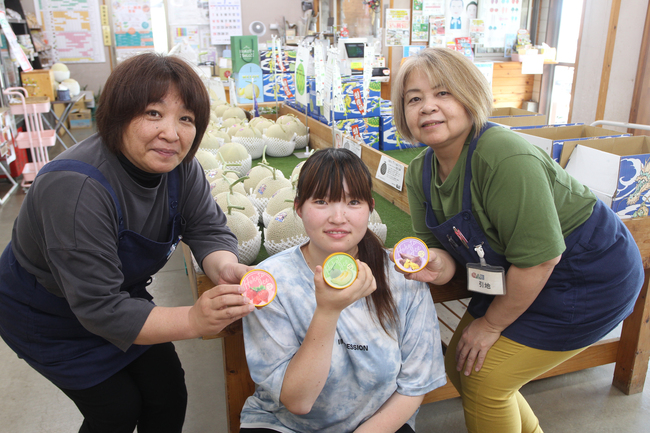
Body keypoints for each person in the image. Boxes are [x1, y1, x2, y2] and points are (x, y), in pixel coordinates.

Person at [391, 47, 644, 433]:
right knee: (463, 365)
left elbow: (541, 260)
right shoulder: (419, 172)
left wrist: (491, 326)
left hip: (586, 275)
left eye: (443, 93)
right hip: (515, 274)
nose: (427, 107)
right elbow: (441, 252)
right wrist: (437, 264)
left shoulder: (504, 155)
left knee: (486, 379)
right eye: (414, 99)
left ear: (470, 95)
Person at [0, 53, 255, 433]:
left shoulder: (182, 168)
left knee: (168, 394)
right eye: (154, 113)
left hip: (119, 297)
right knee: (115, 410)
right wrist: (193, 319)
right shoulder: (76, 187)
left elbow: (207, 229)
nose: (172, 133)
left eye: (186, 118)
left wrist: (224, 266)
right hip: (48, 314)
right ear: (118, 114)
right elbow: (100, 307)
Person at [239, 148, 446, 433]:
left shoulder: (402, 274)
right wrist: (327, 311)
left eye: (353, 202)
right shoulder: (270, 282)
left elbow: (415, 384)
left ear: (370, 207)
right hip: (287, 425)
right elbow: (298, 401)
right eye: (322, 201)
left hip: (378, 423)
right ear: (298, 208)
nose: (338, 217)